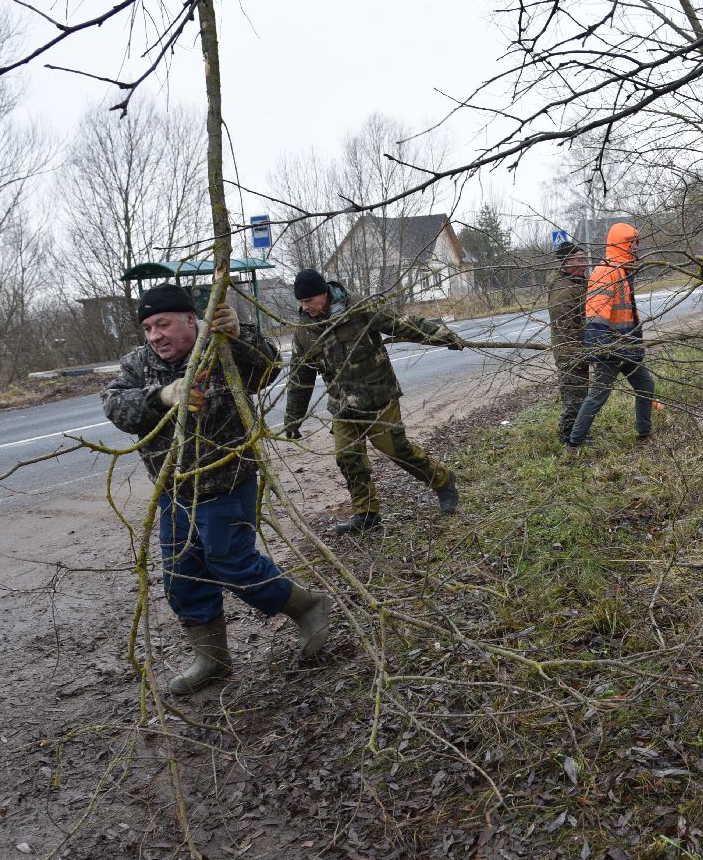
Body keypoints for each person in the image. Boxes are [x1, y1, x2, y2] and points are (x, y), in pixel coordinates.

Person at [101, 283, 332, 697]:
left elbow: (266, 371)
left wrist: (239, 336)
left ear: (191, 320)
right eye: (148, 327)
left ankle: (308, 606)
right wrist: (163, 396)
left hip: (227, 482)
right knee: (182, 576)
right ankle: (213, 659)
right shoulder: (138, 364)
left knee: (231, 564)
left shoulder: (219, 347)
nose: (155, 335)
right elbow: (116, 407)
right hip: (174, 490)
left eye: (163, 324)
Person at [281, 268, 462, 534]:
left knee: (395, 449)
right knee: (347, 457)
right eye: (301, 303)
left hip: (378, 395)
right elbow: (300, 378)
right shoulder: (305, 332)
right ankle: (366, 515)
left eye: (309, 301)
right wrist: (293, 418)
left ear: (324, 294)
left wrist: (442, 336)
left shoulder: (359, 307)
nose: (305, 307)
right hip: (342, 405)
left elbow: (403, 323)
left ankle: (443, 481)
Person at [566, 222, 655, 448]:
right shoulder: (607, 271)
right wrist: (600, 349)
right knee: (598, 395)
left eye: (636, 242)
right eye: (632, 243)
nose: (636, 247)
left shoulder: (623, 270)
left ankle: (644, 434)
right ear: (621, 244)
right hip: (612, 350)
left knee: (645, 386)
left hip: (627, 347)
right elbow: (596, 314)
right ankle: (575, 441)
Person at [547, 239, 590, 446]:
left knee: (580, 394)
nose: (585, 264)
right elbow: (565, 326)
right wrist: (579, 351)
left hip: (579, 349)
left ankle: (577, 435)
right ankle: (569, 438)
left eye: (585, 259)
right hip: (570, 352)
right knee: (575, 396)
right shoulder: (563, 289)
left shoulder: (577, 283)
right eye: (580, 260)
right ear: (566, 263)